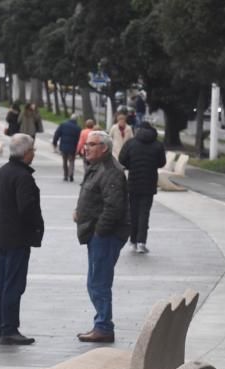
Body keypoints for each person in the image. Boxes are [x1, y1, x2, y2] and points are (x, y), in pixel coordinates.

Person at [72, 130, 129, 343]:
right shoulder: (96, 167)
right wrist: (81, 213)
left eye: (92, 144)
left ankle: (104, 327)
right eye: (87, 143)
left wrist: (99, 231)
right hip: (96, 233)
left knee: (99, 282)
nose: (86, 147)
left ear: (104, 148)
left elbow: (113, 207)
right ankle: (101, 324)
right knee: (95, 281)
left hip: (105, 235)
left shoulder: (110, 170)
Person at [0, 133, 43, 345]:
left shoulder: (0, 174)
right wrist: (36, 227)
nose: (34, 154)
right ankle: (9, 329)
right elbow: (27, 209)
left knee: (1, 283)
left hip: (2, 236)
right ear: (26, 153)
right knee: (13, 284)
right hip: (17, 238)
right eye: (33, 151)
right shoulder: (23, 177)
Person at [118, 121, 167, 254]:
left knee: (133, 212)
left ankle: (132, 241)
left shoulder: (131, 143)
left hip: (133, 182)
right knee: (144, 213)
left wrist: (131, 165)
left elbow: (121, 159)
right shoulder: (157, 145)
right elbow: (162, 162)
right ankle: (141, 242)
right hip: (149, 183)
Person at [52, 113, 81, 182]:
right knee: (72, 161)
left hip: (64, 147)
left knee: (64, 161)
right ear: (76, 120)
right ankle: (71, 174)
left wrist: (54, 142)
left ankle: (65, 175)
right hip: (73, 147)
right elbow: (79, 139)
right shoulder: (78, 128)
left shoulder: (63, 125)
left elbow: (57, 134)